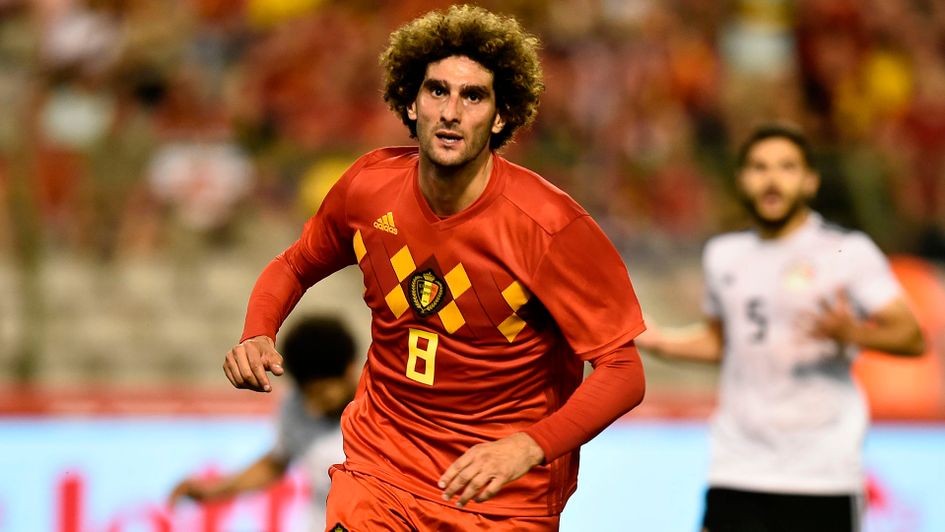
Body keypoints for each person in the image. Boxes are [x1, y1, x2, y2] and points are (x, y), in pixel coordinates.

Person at [222, 5, 647, 531]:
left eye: (473, 96)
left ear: (500, 116)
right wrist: (258, 331)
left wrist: (530, 446)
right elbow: (293, 264)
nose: (451, 110)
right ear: (410, 101)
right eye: (437, 91)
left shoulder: (550, 227)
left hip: (499, 497)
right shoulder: (367, 188)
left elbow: (624, 372)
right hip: (381, 471)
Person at [636, 123, 925, 532]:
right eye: (759, 167)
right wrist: (661, 341)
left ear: (810, 181)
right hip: (737, 468)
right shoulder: (724, 255)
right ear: (741, 179)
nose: (772, 179)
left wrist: (854, 334)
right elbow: (725, 342)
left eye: (787, 167)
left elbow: (911, 337)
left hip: (821, 473)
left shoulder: (846, 252)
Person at [170, 316, 357, 530]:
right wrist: (213, 490)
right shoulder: (295, 406)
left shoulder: (383, 408)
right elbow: (275, 463)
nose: (313, 406)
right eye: (308, 395)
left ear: (350, 371)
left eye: (323, 394)